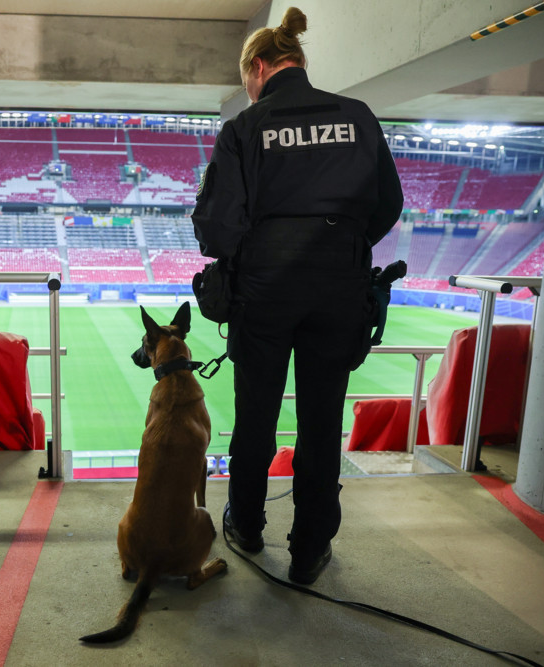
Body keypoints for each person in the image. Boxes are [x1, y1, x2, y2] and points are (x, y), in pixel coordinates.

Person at [192, 7, 403, 584]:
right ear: (299, 62)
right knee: (320, 418)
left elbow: (215, 227)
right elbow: (387, 206)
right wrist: (339, 247)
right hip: (340, 290)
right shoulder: (358, 117)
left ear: (258, 68)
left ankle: (248, 525)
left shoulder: (244, 128)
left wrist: (257, 251)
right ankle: (310, 548)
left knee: (256, 417)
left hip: (264, 291)